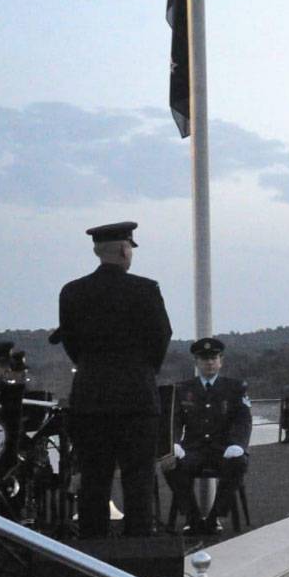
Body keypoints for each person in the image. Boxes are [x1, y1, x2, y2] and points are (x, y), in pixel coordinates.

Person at [57, 222, 172, 538]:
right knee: (138, 481)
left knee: (94, 482)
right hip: (137, 400)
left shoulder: (72, 292)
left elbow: (71, 343)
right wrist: (144, 371)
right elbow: (161, 336)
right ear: (125, 249)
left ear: (98, 251)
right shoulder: (146, 290)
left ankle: (93, 557)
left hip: (90, 400)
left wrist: (93, 369)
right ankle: (140, 557)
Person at [169, 338, 252, 535]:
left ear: (221, 361)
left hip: (222, 448)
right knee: (170, 464)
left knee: (239, 463)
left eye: (214, 358)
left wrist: (238, 444)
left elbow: (243, 420)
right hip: (193, 448)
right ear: (196, 362)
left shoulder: (235, 388)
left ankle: (215, 517)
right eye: (204, 359)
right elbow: (174, 420)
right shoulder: (183, 389)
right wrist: (172, 443)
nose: (209, 363)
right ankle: (193, 517)